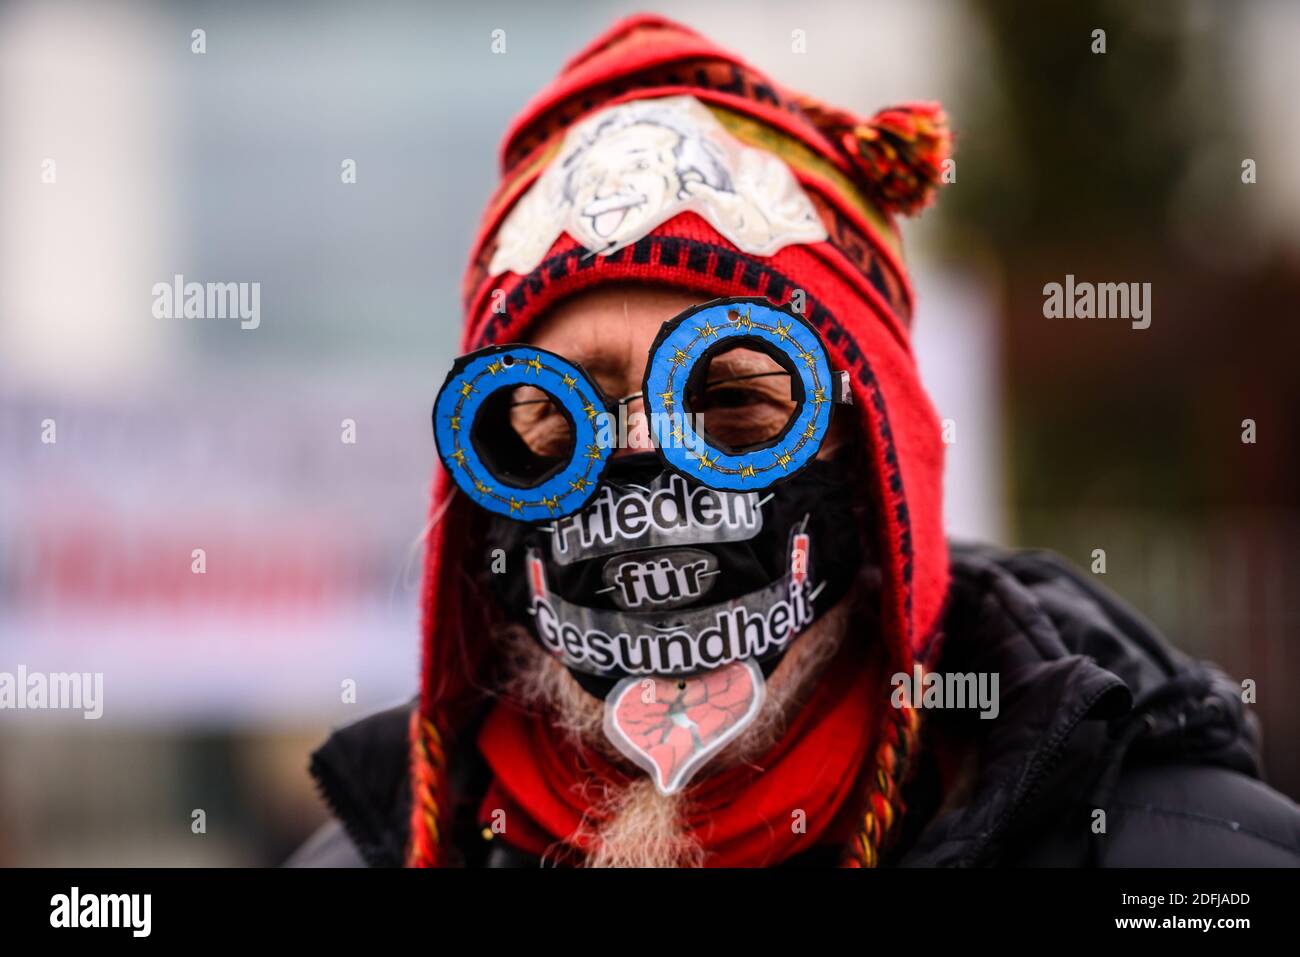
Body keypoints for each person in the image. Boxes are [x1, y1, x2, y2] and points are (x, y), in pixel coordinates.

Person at [288, 13, 1300, 868]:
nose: (643, 461)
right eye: (555, 421)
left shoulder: (1188, 858)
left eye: (732, 402)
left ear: (877, 463)